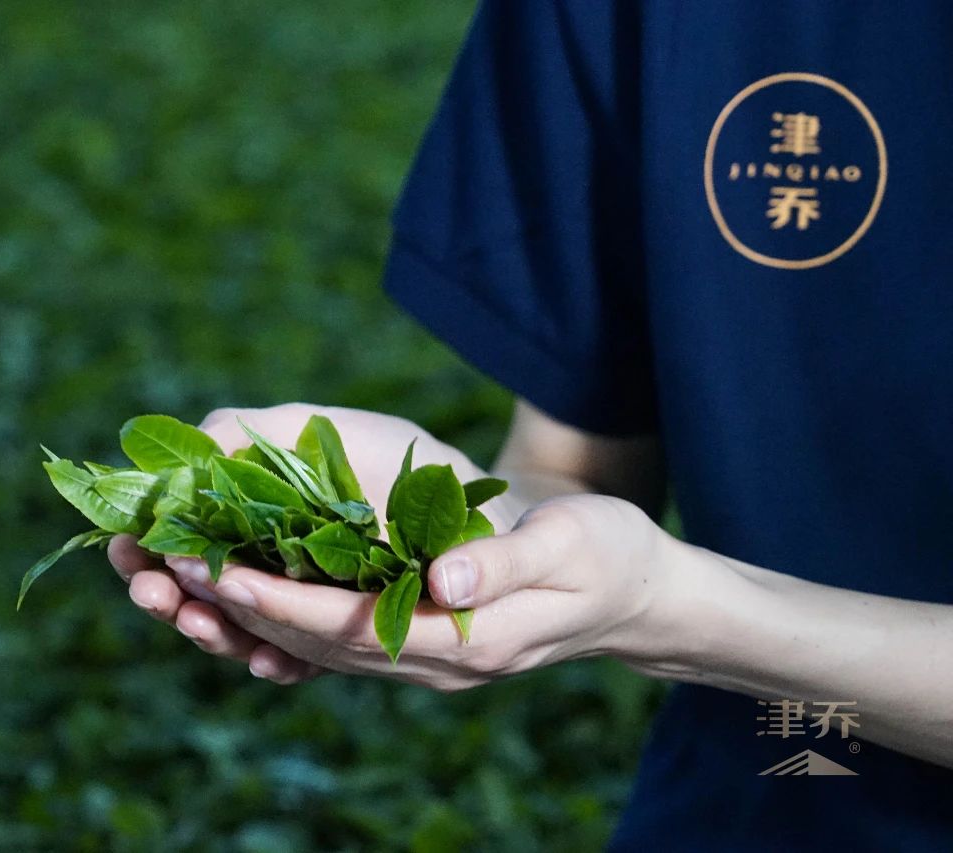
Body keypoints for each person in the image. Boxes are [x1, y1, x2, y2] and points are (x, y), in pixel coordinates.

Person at [110, 1, 953, 848]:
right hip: (753, 810)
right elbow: (573, 466)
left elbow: (651, 590)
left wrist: (675, 611)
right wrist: (471, 535)